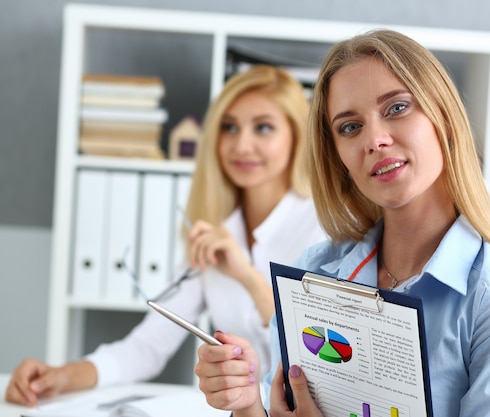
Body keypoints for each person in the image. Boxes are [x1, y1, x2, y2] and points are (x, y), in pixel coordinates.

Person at [193, 29, 490, 417]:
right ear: (339, 159)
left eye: (397, 108)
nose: (375, 140)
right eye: (350, 127)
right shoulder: (311, 275)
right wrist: (246, 403)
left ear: (444, 117)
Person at [5, 64, 327, 407]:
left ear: (296, 136)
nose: (241, 145)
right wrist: (60, 376)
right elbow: (148, 347)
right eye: (229, 127)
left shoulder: (320, 226)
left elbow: (315, 350)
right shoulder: (213, 230)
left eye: (263, 128)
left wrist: (247, 277)